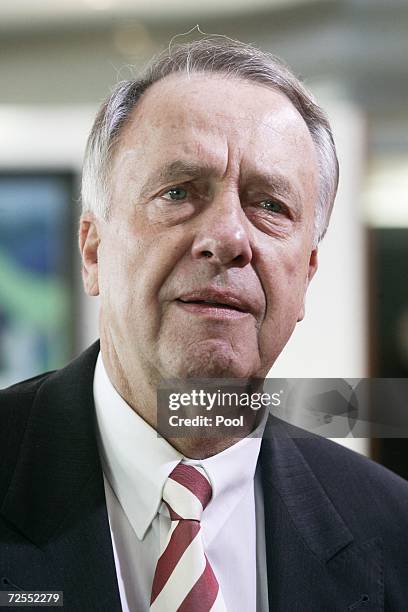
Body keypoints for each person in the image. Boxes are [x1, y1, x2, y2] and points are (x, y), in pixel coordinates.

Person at [1, 36, 407, 612]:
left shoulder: (392, 532)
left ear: (307, 276)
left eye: (270, 205)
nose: (229, 238)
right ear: (93, 251)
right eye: (179, 192)